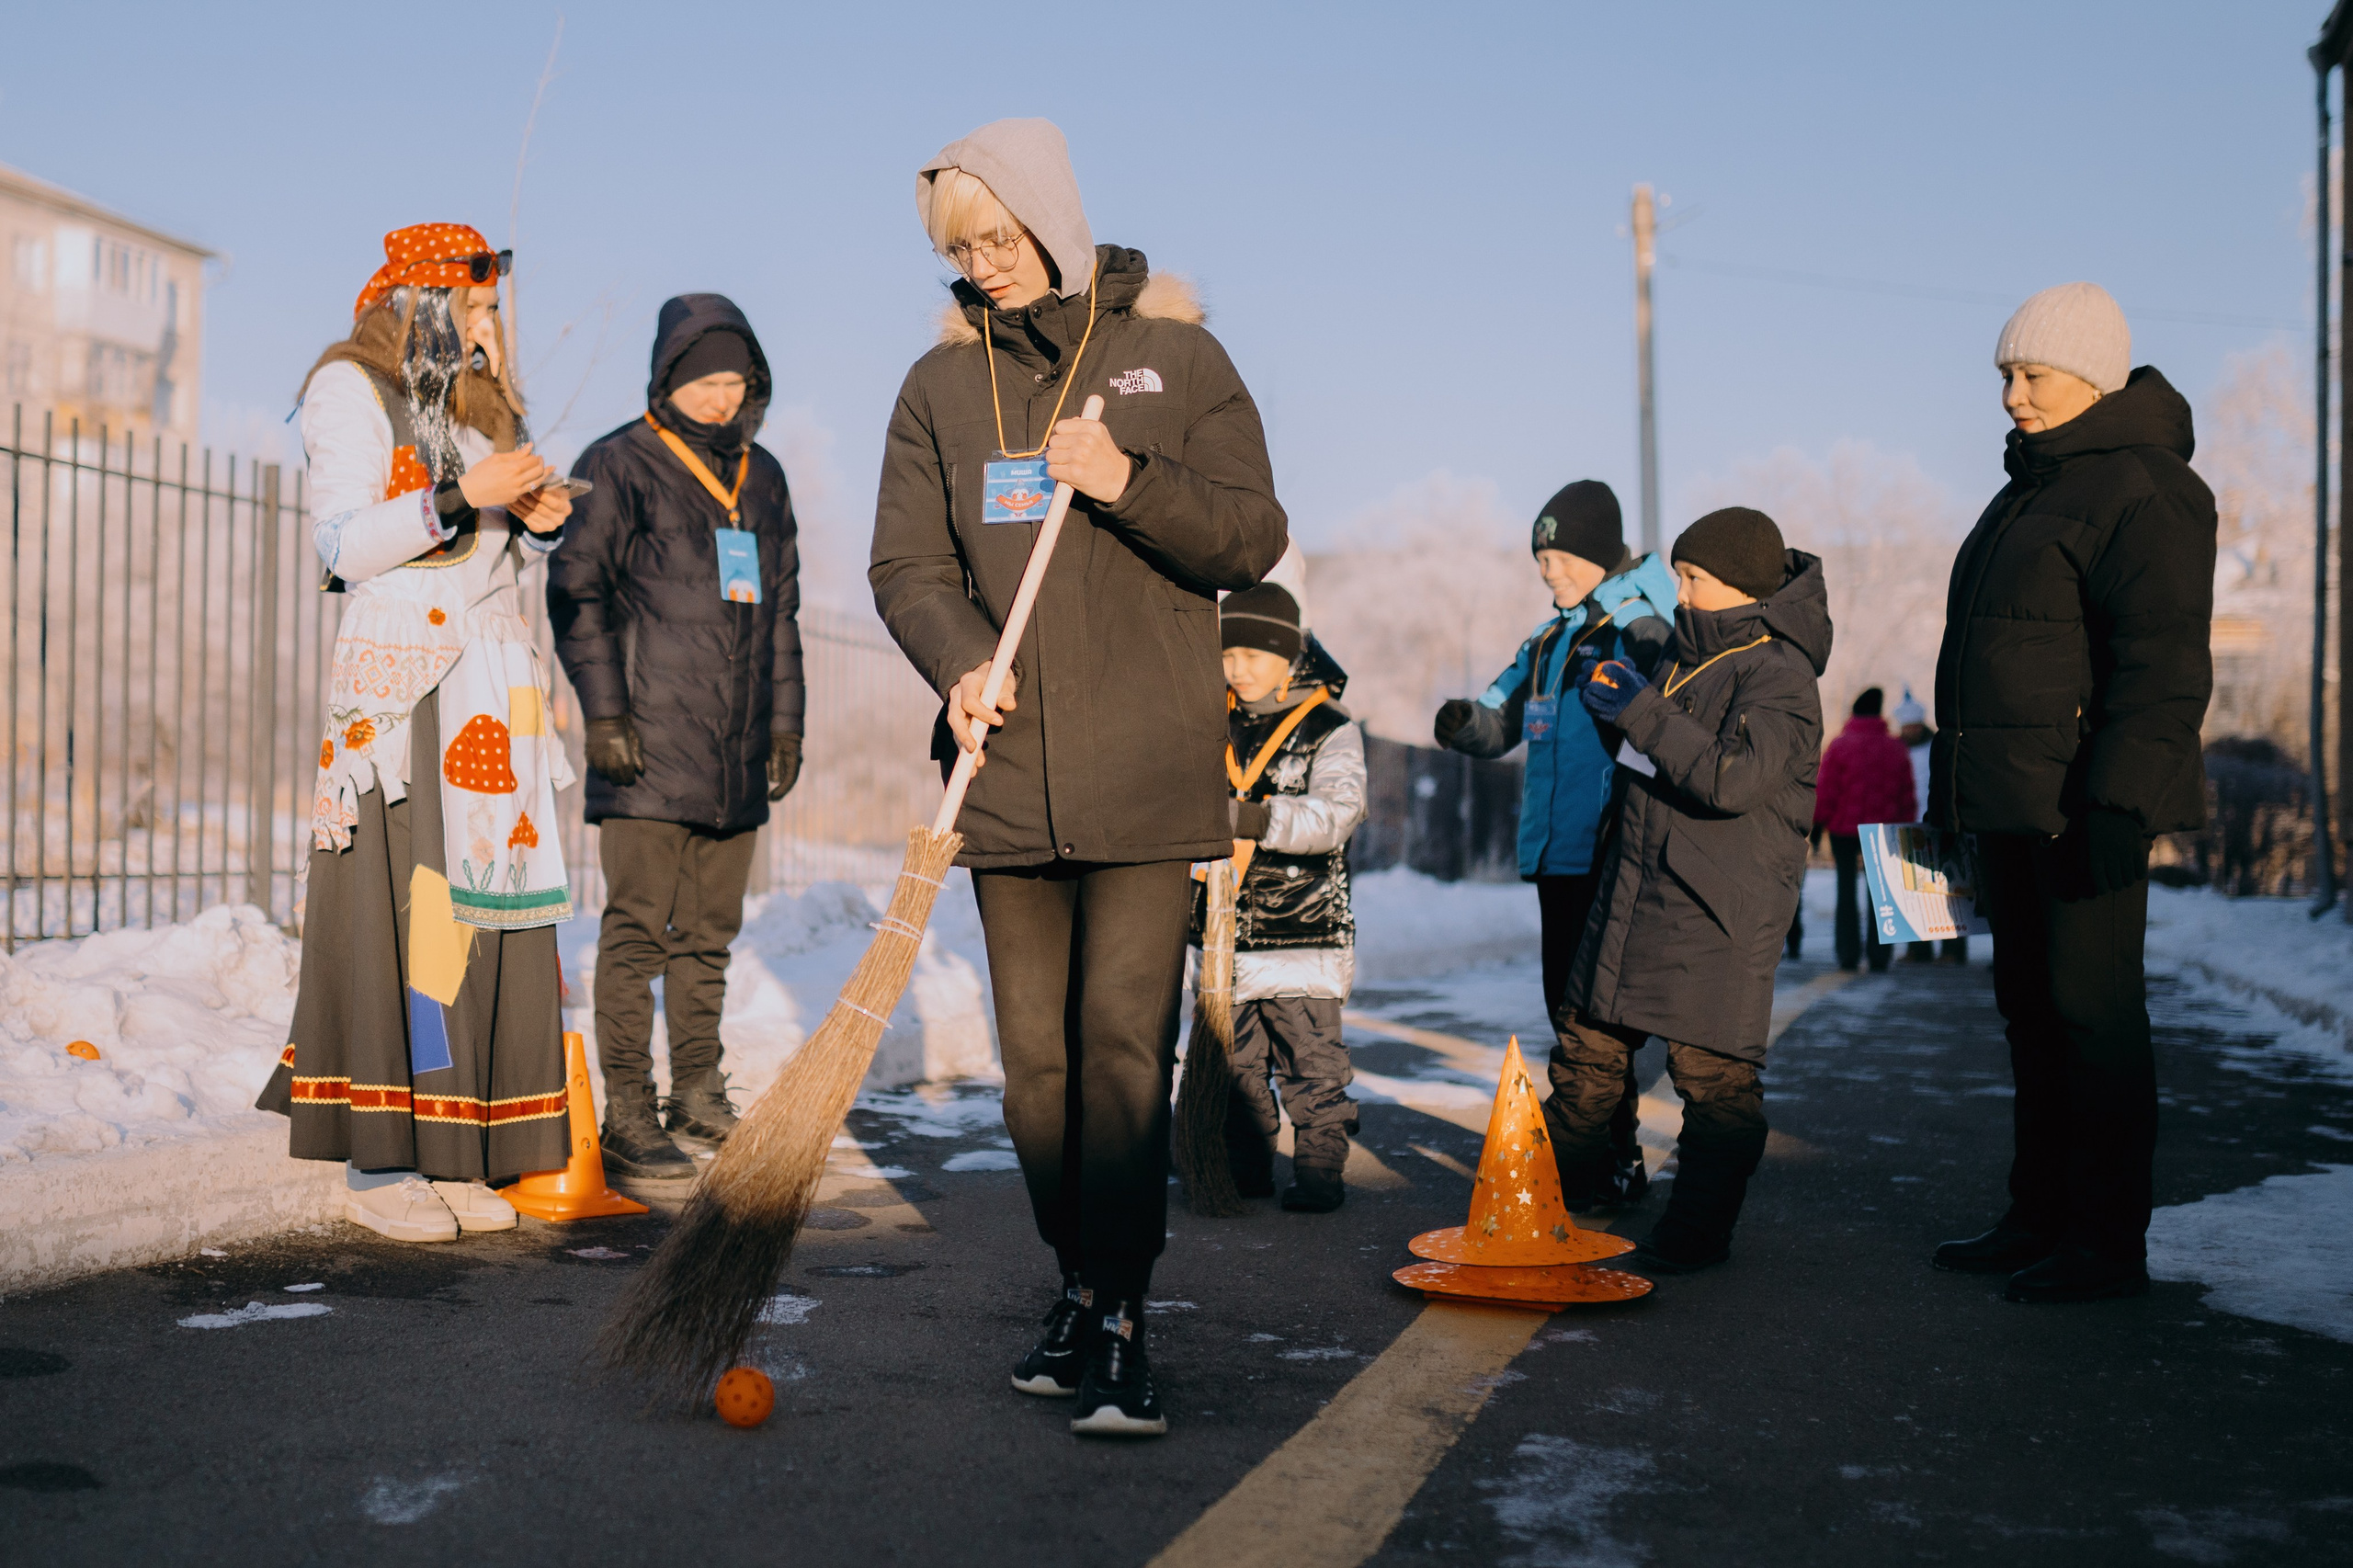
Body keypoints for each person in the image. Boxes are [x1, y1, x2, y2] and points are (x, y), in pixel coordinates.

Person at [870, 119, 1287, 1437]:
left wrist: (1125, 477)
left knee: (1119, 1053)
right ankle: (1080, 1278)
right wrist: (955, 664)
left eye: (997, 238)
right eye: (959, 247)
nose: (982, 265)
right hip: (1003, 773)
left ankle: (1120, 1310)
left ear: (1050, 218)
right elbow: (907, 567)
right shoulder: (940, 390)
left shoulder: (1175, 358)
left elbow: (1252, 533)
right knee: (1035, 1075)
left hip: (1147, 774)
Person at [256, 224, 576, 1244]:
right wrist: (461, 496)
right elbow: (346, 543)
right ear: (428, 303)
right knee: (408, 908)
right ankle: (380, 1157)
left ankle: (459, 1141)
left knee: (480, 916)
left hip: (488, 683)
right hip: (407, 688)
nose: (490, 331)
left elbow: (494, 555)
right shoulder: (349, 387)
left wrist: (537, 515)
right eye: (476, 311)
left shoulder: (479, 401)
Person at [1927, 283, 2214, 1303]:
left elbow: (2161, 664)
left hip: (2079, 805)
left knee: (2092, 1020)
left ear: (2088, 377)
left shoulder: (2146, 488)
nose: (2011, 394)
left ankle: (2104, 1241)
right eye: (2004, 375)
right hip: (2010, 801)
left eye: (2030, 375)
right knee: (2032, 1018)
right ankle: (2038, 1214)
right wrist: (1949, 795)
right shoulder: (2026, 489)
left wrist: (2117, 804)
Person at [549, 296, 804, 1180]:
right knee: (635, 935)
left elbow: (782, 615)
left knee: (708, 936)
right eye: (704, 378)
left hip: (733, 751)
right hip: (648, 747)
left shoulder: (763, 477)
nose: (721, 395)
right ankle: (626, 1108)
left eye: (736, 379)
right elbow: (576, 590)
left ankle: (696, 1091)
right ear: (668, 378)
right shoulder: (618, 464)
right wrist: (606, 715)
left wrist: (784, 724)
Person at [1552, 508, 1830, 1273]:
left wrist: (1639, 709)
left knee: (1712, 1082)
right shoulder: (1685, 651)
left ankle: (1697, 1235)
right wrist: (1611, 707)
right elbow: (1660, 759)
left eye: (1693, 577)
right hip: (1638, 888)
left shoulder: (1783, 676)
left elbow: (1731, 779)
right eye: (1678, 574)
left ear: (1738, 585)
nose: (1679, 591)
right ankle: (1545, 1203)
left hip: (1716, 906)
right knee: (1587, 1051)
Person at [1431, 481, 1678, 1208]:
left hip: (1610, 849)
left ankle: (1613, 1157)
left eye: (1563, 555)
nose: (1550, 571)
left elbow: (1670, 724)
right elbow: (1499, 717)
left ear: (1602, 553)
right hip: (1554, 852)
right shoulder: (1547, 641)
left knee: (1598, 1018)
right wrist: (1460, 721)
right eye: (1542, 558)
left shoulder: (1638, 628)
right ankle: (1602, 1152)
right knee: (1564, 1008)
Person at [1211, 584, 1368, 1215]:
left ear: (1288, 655)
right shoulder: (1209, 720)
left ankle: (1320, 1171)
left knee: (1313, 1065)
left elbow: (1337, 814)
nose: (1238, 668)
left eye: (1253, 654)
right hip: (1222, 934)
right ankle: (1244, 1168)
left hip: (1302, 930)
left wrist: (1251, 819)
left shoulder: (1330, 729)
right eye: (1227, 655)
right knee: (1236, 1068)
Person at [1813, 687, 1915, 973]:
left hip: (1844, 830)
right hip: (1884, 831)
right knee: (1882, 896)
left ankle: (1847, 954)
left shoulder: (1840, 745)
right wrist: (1906, 829)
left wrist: (1818, 823)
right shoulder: (1896, 748)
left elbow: (1827, 790)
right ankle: (1879, 956)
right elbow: (1906, 794)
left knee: (1845, 891)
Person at [1893, 689, 1966, 964]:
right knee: (1914, 890)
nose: (1909, 730)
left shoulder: (1938, 745)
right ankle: (1918, 948)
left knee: (1949, 888)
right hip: (1910, 822)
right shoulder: (1896, 748)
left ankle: (1952, 949)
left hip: (1940, 820)